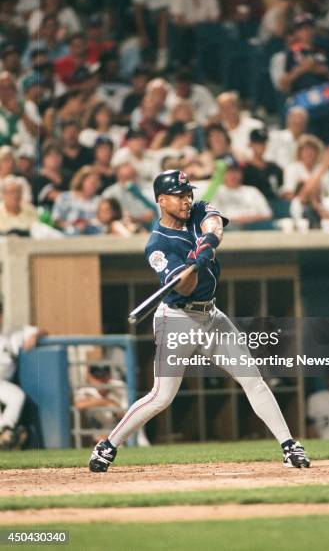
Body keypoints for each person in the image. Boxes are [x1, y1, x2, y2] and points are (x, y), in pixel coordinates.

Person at [89, 169, 310, 472]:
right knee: (161, 397)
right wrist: (192, 267)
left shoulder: (197, 210)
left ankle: (289, 446)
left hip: (211, 316)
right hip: (178, 318)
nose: (186, 199)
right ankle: (108, 445)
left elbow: (215, 225)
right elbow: (183, 288)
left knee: (253, 379)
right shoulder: (157, 245)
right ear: (161, 200)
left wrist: (207, 243)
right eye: (178, 196)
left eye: (187, 193)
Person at [0, 303, 43, 449]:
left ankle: (5, 430)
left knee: (17, 396)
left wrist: (35, 335)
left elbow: (40, 330)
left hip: (2, 382)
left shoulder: (12, 333)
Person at [74, 363, 150, 446]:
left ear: (110, 376)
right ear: (89, 377)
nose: (101, 381)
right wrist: (108, 402)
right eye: (97, 377)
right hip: (101, 432)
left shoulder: (119, 386)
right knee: (102, 444)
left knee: (138, 435)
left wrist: (116, 410)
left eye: (104, 376)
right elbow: (79, 405)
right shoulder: (85, 391)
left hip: (123, 427)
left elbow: (127, 414)